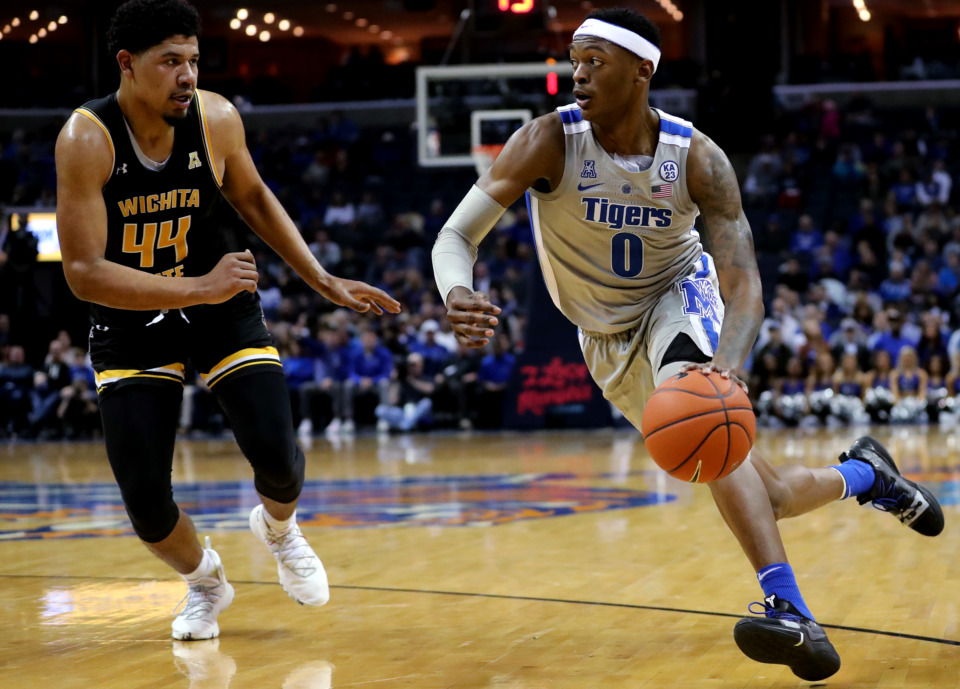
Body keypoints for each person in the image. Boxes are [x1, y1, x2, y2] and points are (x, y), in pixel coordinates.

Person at [430, 7, 943, 680]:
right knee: (771, 491)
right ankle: (868, 474)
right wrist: (456, 291)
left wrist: (726, 366)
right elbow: (455, 237)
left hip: (679, 294)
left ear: (642, 71)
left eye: (596, 62)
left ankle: (788, 608)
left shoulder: (697, 158)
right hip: (603, 337)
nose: (577, 75)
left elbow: (745, 285)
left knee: (700, 403)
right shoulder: (546, 141)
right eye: (575, 61)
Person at [54, 0, 400, 641]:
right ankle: (206, 582)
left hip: (220, 304)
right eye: (170, 62)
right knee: (147, 504)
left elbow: (255, 196)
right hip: (133, 317)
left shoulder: (215, 119)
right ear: (128, 65)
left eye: (193, 60)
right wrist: (198, 287)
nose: (187, 76)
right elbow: (82, 271)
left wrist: (322, 279)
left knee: (278, 454)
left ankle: (279, 529)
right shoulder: (86, 139)